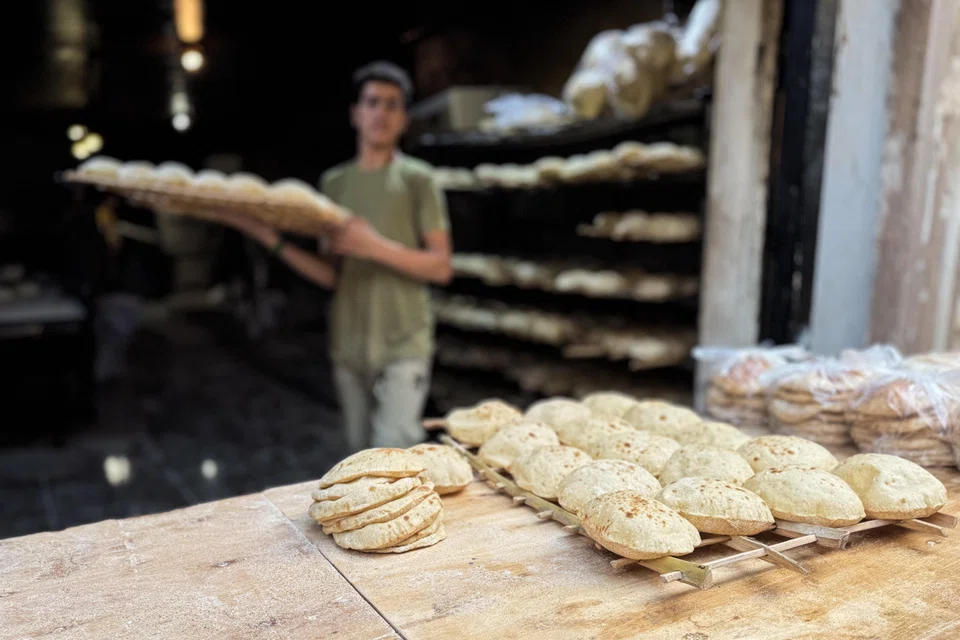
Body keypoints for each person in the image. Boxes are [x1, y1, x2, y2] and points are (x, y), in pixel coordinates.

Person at [213, 61, 452, 452]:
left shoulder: (418, 180)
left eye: (393, 105)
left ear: (404, 119)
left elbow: (441, 266)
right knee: (358, 453)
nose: (382, 113)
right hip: (349, 344)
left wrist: (372, 245)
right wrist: (268, 238)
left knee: (394, 451)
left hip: (403, 342)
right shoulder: (334, 184)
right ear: (356, 113)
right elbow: (331, 276)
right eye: (373, 102)